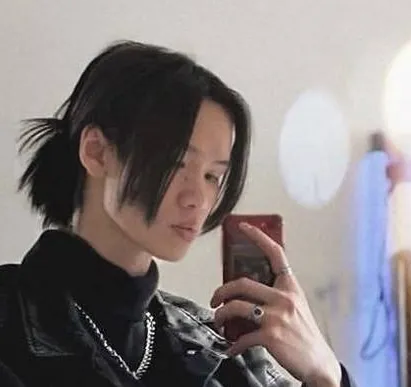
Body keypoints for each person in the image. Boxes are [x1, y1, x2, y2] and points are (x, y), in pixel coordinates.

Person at [0, 41, 355, 387]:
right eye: (175, 164)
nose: (197, 198)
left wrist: (325, 374)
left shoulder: (221, 351)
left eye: (212, 176)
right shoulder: (10, 325)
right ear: (96, 152)